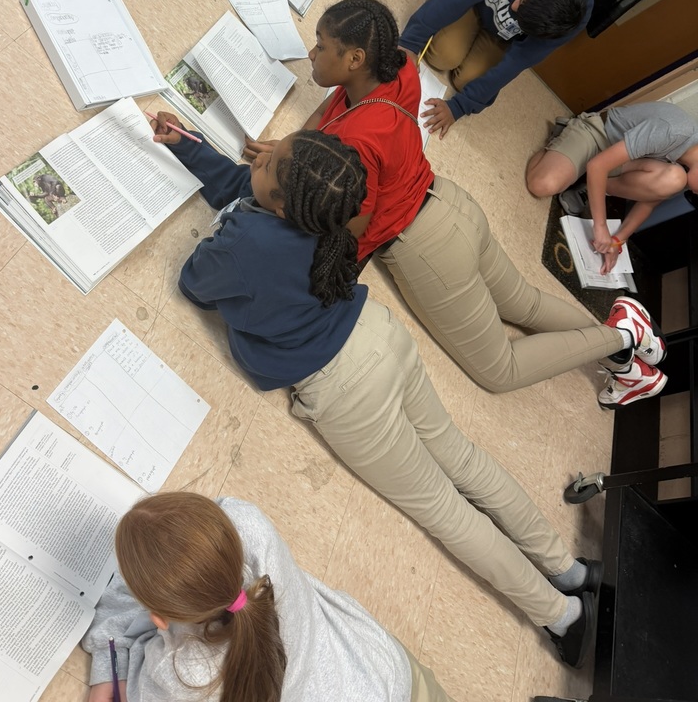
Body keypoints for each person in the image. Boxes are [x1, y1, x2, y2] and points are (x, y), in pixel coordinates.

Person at [150, 117, 600, 665]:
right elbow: (253, 192)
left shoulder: (248, 242)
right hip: (380, 336)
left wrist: (229, 222)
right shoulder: (328, 210)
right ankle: (570, 570)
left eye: (265, 160)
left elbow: (194, 282)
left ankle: (562, 616)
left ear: (286, 204)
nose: (255, 158)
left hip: (345, 389)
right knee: (463, 458)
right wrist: (191, 149)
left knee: (442, 508)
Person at [244, 0, 666, 408]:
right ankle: (626, 353)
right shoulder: (396, 65)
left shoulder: (358, 143)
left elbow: (352, 228)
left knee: (501, 370)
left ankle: (623, 335)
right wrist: (294, 153)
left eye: (321, 45)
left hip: (426, 249)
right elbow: (330, 108)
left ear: (355, 59)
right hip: (451, 202)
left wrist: (285, 194)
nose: (312, 53)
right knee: (522, 303)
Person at [83, 491, 453, 702]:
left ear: (159, 618)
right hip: (385, 669)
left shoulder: (179, 673)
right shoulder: (248, 523)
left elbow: (117, 674)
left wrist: (107, 664)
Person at [398, 0, 593, 138]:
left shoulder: (571, 20)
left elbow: (518, 60)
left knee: (468, 82)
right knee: (442, 56)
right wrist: (410, 43)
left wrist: (457, 108)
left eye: (520, 9)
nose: (514, 5)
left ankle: (479, 35)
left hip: (502, 33)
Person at [527, 101, 698, 271]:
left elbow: (649, 201)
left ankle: (587, 183)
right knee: (542, 185)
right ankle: (562, 137)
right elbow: (598, 166)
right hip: (598, 135)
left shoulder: (689, 171)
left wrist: (617, 241)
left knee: (674, 179)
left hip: (620, 162)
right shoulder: (673, 131)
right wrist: (600, 226)